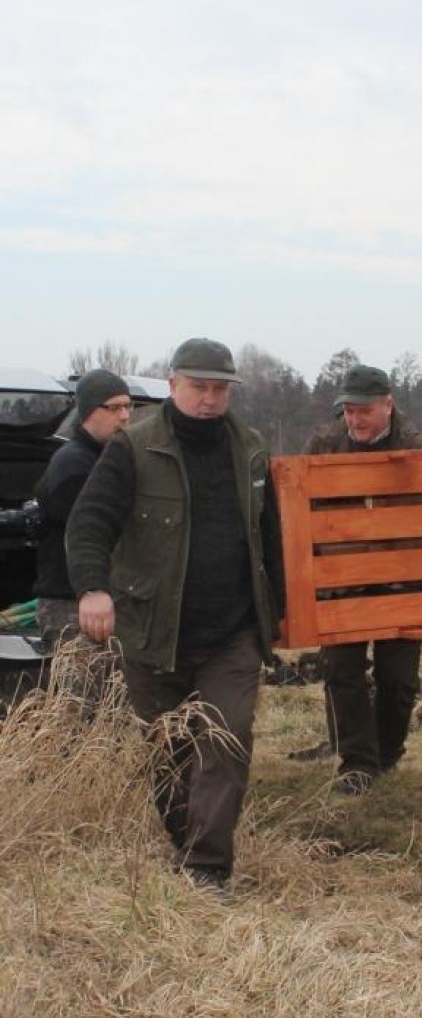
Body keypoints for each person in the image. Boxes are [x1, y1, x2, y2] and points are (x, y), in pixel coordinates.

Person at [66, 337, 284, 887]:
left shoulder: (253, 449)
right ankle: (184, 837)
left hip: (232, 632)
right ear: (172, 385)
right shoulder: (133, 448)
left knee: (227, 739)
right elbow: (89, 523)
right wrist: (93, 589)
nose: (209, 399)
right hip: (153, 630)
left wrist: (282, 609)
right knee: (169, 750)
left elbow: (273, 538)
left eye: (219, 389)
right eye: (198, 387)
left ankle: (208, 867)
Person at [304, 363, 422, 795]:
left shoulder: (413, 448)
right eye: (349, 411)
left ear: (387, 405)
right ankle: (357, 762)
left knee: (399, 679)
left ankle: (387, 752)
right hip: (342, 578)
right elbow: (304, 506)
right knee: (341, 669)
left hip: (398, 579)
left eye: (364, 411)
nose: (354, 420)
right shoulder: (326, 442)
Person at [34, 368, 132, 656]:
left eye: (128, 406)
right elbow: (91, 535)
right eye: (114, 408)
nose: (125, 416)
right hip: (73, 606)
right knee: (81, 697)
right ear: (88, 411)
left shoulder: (108, 459)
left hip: (101, 601)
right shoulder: (73, 465)